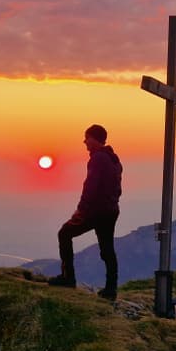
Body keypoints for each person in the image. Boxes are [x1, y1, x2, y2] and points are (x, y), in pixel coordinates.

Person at [48, 124, 123, 300]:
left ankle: (68, 278)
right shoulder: (114, 159)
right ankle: (111, 289)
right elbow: (117, 188)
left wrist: (81, 209)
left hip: (96, 211)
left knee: (64, 233)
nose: (84, 142)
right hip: (111, 210)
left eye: (87, 138)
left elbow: (90, 186)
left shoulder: (97, 158)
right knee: (108, 249)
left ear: (95, 139)